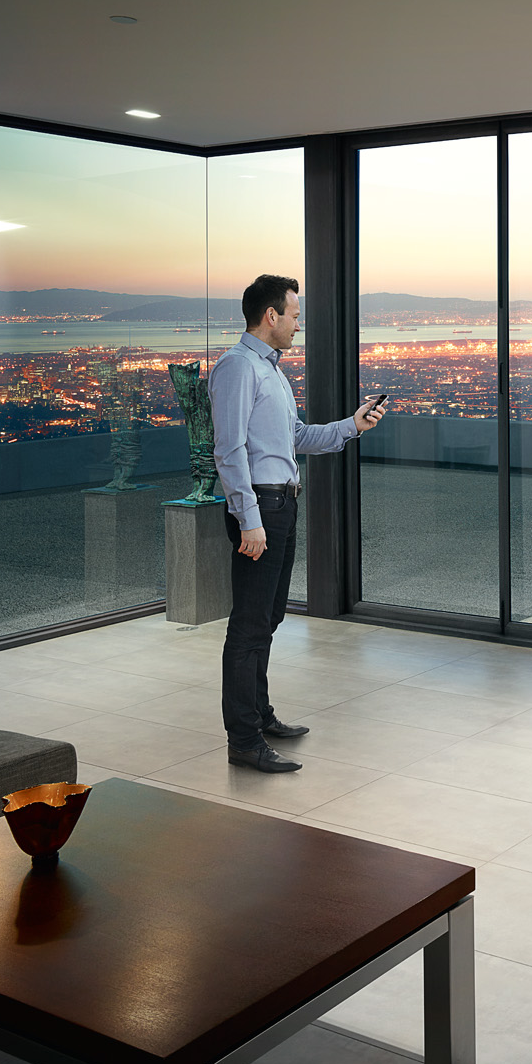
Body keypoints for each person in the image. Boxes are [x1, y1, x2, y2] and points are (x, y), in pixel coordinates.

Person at [209, 274, 384, 772]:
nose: (297, 324)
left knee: (269, 618)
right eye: (294, 314)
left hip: (281, 506)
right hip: (260, 509)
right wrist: (248, 519)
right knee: (248, 626)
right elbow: (229, 450)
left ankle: (260, 716)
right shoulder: (239, 368)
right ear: (271, 316)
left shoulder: (272, 372)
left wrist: (352, 426)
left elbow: (297, 438)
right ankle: (243, 741)